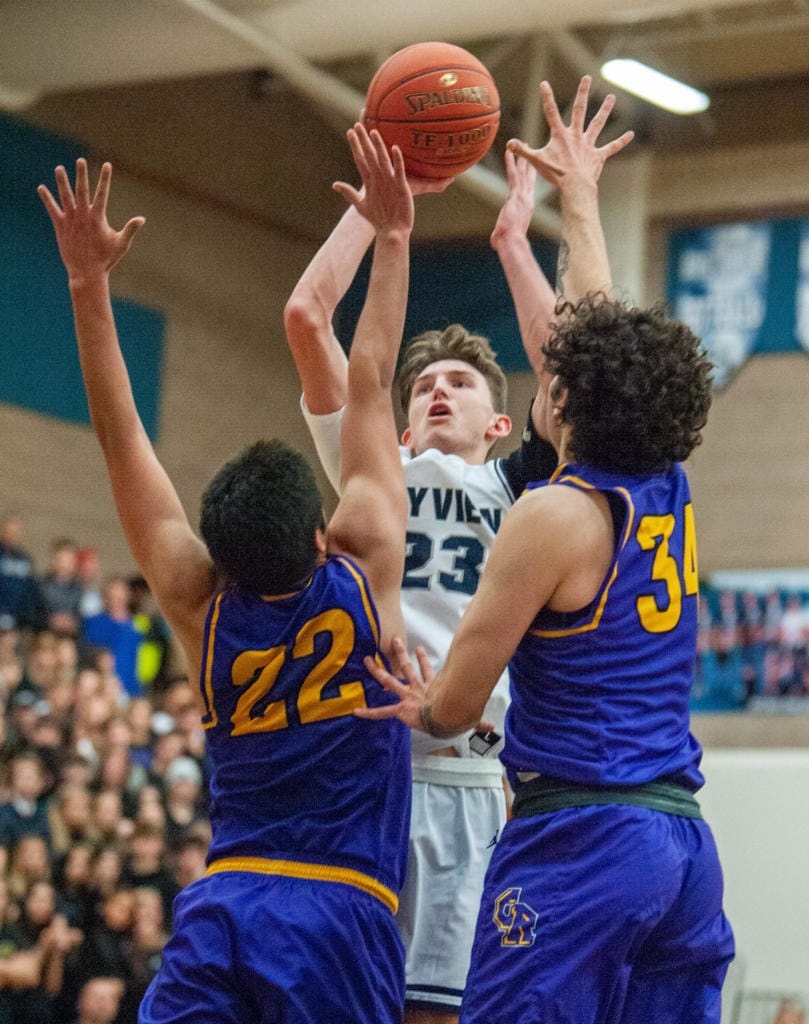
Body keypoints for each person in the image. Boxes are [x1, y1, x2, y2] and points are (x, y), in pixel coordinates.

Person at [39, 122, 414, 1022]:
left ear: (222, 555)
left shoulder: (199, 604)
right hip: (343, 907)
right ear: (322, 537)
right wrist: (394, 236)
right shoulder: (364, 564)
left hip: (226, 904)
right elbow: (367, 379)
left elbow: (121, 437)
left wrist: (89, 289)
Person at [284, 74, 632, 1022]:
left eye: (458, 385)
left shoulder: (523, 488)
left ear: (500, 422)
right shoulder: (374, 470)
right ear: (395, 421)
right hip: (366, 769)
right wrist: (382, 212)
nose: (435, 391)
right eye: (421, 384)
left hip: (473, 772)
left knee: (441, 1012)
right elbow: (308, 317)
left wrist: (520, 240)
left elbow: (578, 364)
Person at [359, 286, 735, 1021]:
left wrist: (423, 704)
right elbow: (601, 321)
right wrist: (576, 199)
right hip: (684, 846)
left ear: (562, 399)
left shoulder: (546, 513)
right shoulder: (667, 490)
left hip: (581, 838)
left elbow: (454, 708)